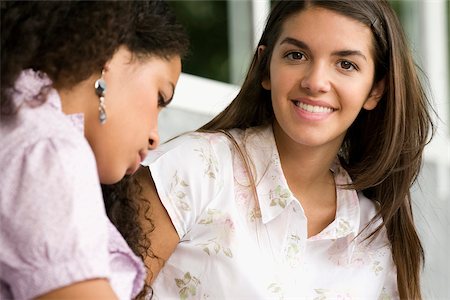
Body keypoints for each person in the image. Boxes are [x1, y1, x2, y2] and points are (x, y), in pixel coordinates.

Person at [105, 0, 434, 299]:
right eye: (296, 55)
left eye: (346, 64)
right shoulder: (190, 170)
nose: (316, 81)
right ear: (266, 68)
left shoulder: (375, 234)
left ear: (375, 90)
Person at [0, 1, 188, 299]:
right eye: (160, 97)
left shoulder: (22, 122)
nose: (155, 137)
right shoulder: (49, 150)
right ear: (111, 56)